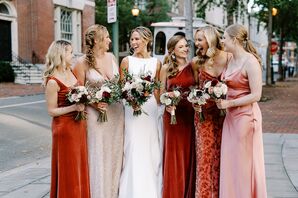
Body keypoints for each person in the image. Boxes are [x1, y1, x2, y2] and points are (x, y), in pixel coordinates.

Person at [73, 24, 124, 198]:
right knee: (98, 154)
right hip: (96, 117)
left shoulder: (111, 57)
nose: (110, 40)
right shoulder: (81, 63)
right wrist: (94, 103)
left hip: (117, 114)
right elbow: (77, 92)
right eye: (107, 37)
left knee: (114, 155)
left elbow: (120, 85)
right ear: (96, 40)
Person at [216, 24, 267, 198]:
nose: (222, 41)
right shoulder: (229, 58)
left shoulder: (250, 61)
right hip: (230, 118)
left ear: (234, 39)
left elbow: (256, 95)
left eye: (224, 37)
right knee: (231, 162)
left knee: (244, 164)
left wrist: (229, 104)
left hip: (246, 118)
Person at [118, 26, 162, 198]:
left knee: (152, 149)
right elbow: (121, 89)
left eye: (137, 39)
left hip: (150, 110)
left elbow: (157, 91)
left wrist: (161, 107)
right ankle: (131, 192)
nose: (133, 42)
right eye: (132, 39)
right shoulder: (126, 61)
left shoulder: (156, 63)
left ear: (147, 40)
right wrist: (131, 101)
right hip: (132, 109)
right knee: (133, 146)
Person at [43, 40, 90, 198]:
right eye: (70, 52)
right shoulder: (52, 81)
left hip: (79, 125)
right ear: (61, 54)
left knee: (79, 165)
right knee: (68, 167)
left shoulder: (71, 71)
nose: (73, 55)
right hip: (64, 129)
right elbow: (51, 111)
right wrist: (73, 108)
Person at [191, 26, 230, 198]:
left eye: (200, 39)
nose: (196, 43)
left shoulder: (229, 58)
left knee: (225, 156)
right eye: (196, 39)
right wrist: (194, 102)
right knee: (205, 158)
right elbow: (193, 88)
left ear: (210, 39)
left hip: (226, 115)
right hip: (203, 116)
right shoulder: (196, 62)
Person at [160, 35, 196, 198]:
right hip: (172, 117)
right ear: (172, 50)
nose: (185, 49)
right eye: (181, 47)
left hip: (189, 115)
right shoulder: (166, 68)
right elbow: (160, 93)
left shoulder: (193, 65)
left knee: (189, 153)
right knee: (174, 155)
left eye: (186, 46)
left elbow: (198, 88)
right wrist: (167, 105)